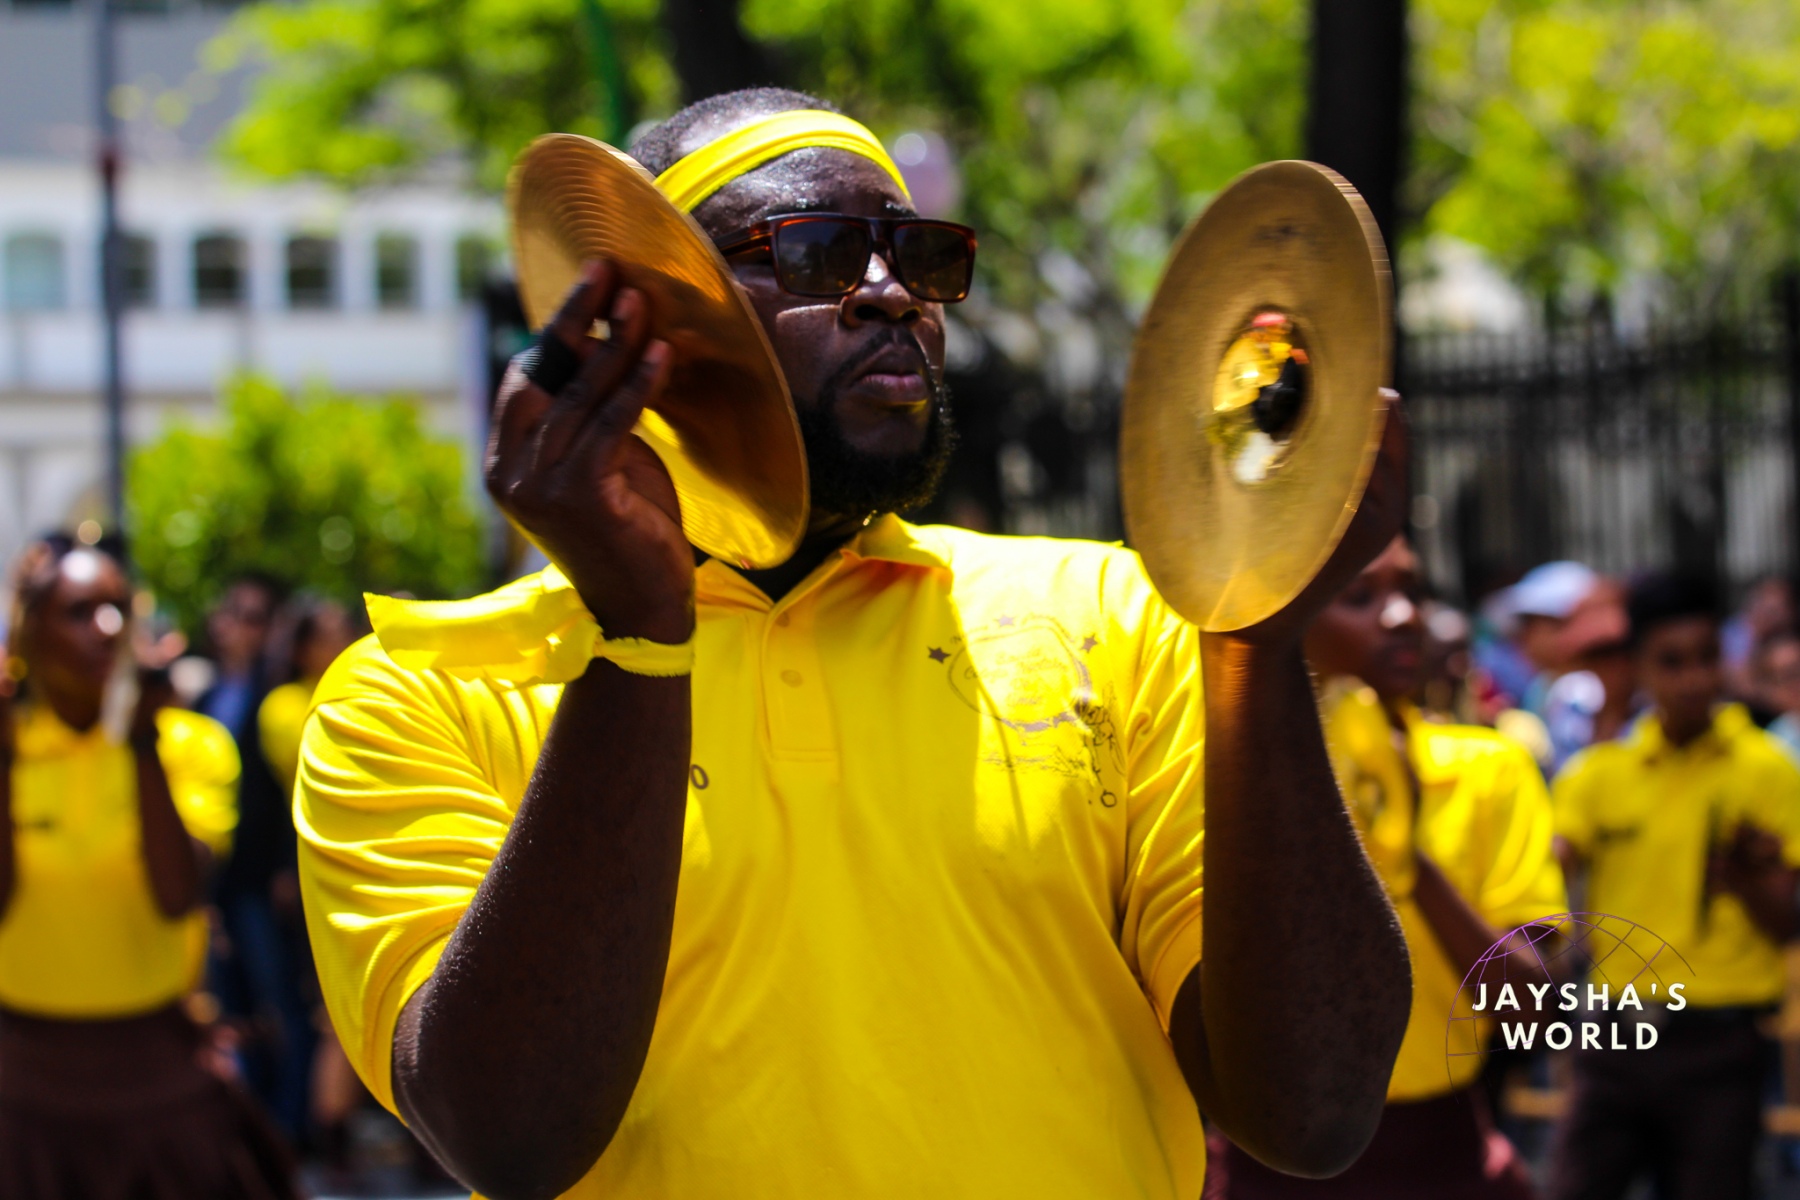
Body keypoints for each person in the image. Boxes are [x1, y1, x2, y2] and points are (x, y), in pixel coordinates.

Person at [295, 89, 1414, 1199]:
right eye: (819, 253)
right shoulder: (420, 691)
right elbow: (508, 1133)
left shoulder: (1121, 616)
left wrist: (1260, 641)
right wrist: (639, 638)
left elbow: (1311, 1111)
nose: (890, 294)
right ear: (645, 317)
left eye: (921, 257)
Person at [1207, 535, 1567, 1200]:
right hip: (1271, 1160)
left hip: (1441, 1154)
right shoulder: (1225, 778)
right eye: (1359, 596)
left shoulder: (1489, 770)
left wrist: (1407, 856)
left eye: (1413, 591)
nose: (1403, 616)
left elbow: (1533, 1002)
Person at [0, 535, 295, 1198]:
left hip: (158, 1072)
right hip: (24, 1085)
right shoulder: (10, 750)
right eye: (78, 612)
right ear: (30, 636)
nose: (106, 627)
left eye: (117, 610)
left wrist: (139, 741)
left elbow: (177, 893)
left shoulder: (189, 744)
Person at [1549, 573, 1800, 1200]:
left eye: (1707, 657)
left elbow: (1787, 925)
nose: (1694, 679)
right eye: (1671, 662)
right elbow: (1546, 881)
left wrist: (1744, 879)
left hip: (1720, 1042)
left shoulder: (1767, 770)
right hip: (1614, 1036)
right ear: (1638, 668)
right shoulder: (1599, 774)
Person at [200, 575, 317, 1143]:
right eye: (237, 615)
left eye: (257, 618)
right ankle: (253, 1124)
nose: (243, 629)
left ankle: (290, 1128)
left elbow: (283, 799)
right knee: (233, 1007)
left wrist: (285, 870)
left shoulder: (277, 697)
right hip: (216, 882)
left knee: (281, 1002)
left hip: (262, 879)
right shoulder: (205, 695)